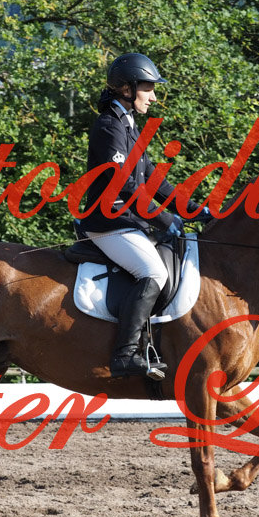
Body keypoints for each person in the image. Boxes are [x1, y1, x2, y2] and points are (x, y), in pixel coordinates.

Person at [80, 53, 209, 378]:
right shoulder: (109, 126)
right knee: (153, 272)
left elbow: (155, 181)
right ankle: (125, 355)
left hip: (127, 223)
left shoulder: (128, 125)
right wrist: (166, 221)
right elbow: (124, 187)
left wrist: (197, 211)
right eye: (148, 89)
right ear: (127, 89)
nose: (153, 97)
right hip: (108, 223)